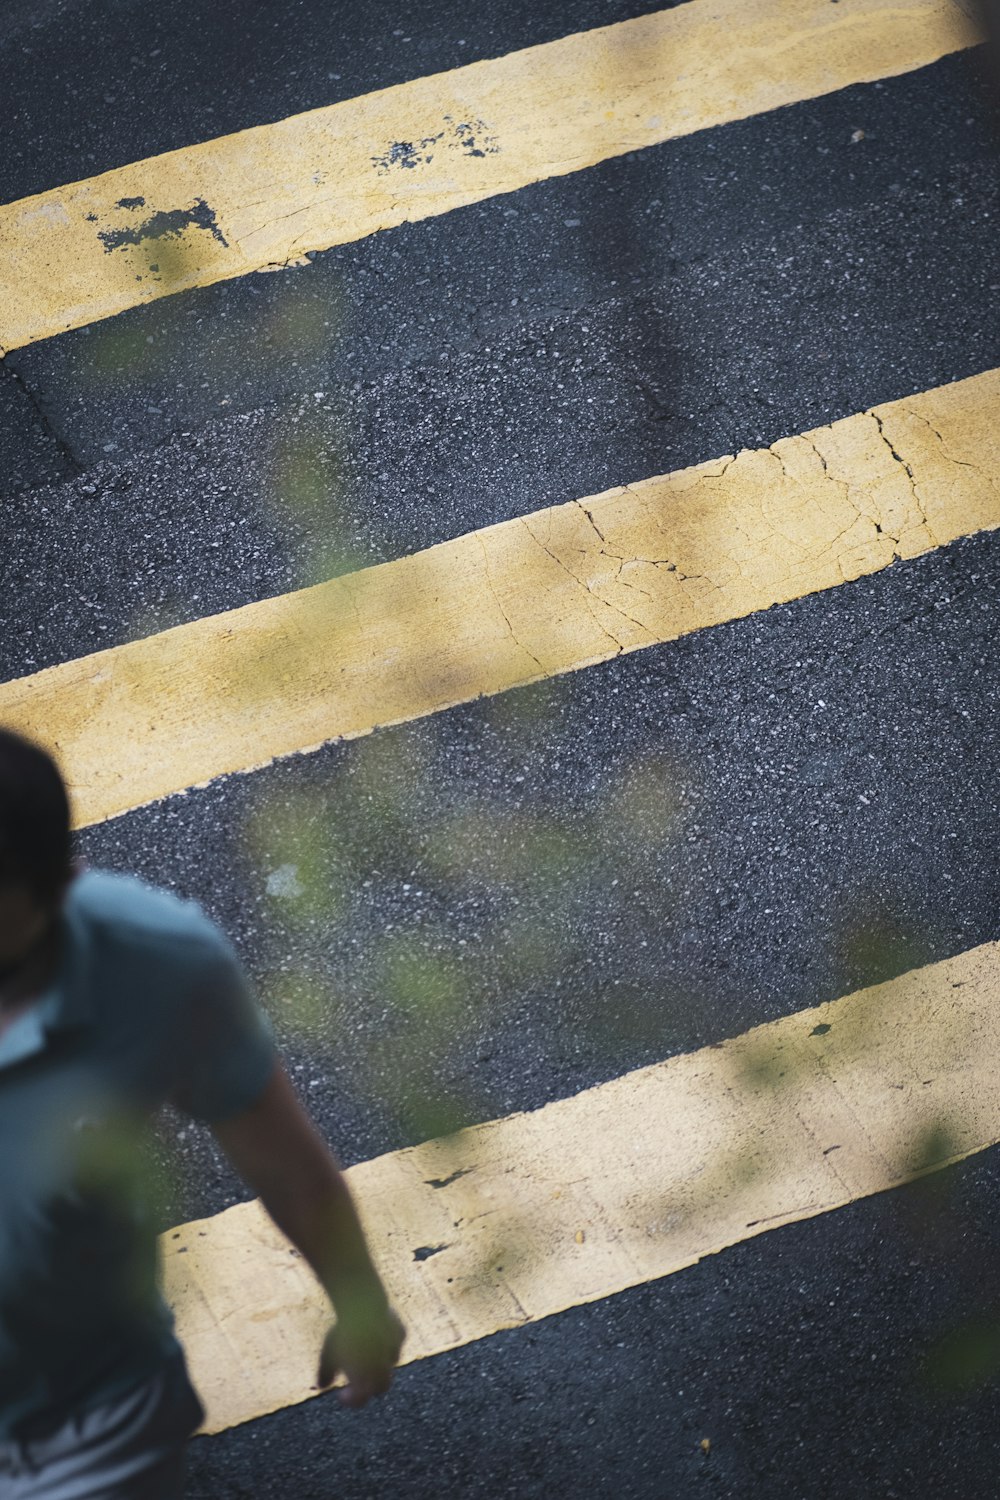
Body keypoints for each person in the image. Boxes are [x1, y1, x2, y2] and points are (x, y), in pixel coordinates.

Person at [0, 727, 404, 1498]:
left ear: (61, 885)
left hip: (85, 1426)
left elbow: (290, 1170)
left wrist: (360, 1303)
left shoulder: (158, 966)